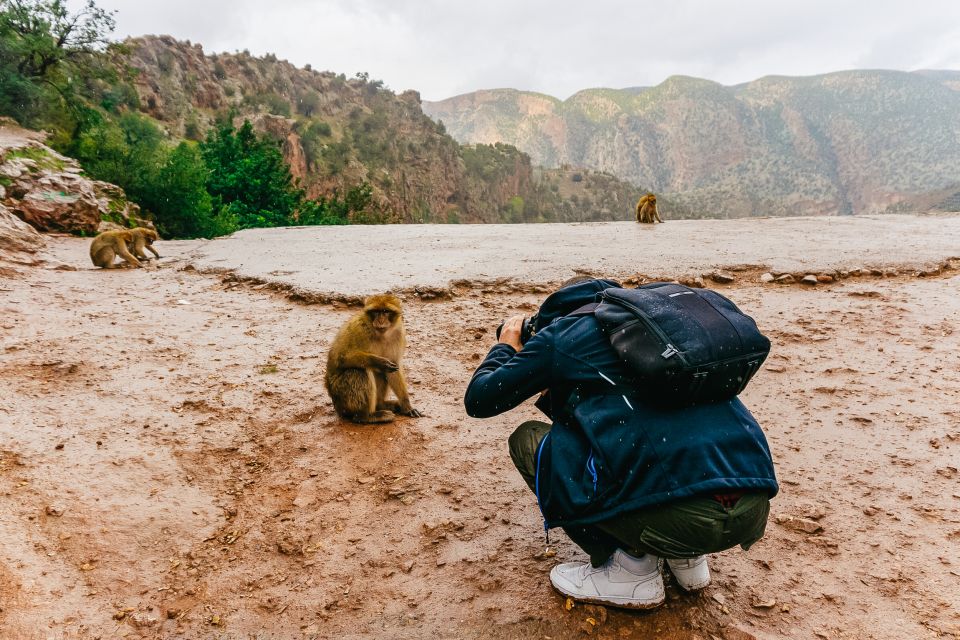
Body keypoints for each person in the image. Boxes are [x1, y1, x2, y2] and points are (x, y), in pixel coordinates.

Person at [463, 278, 778, 609]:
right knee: (676, 431)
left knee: (529, 440)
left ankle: (631, 570)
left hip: (682, 521)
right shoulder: (661, 333)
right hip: (751, 508)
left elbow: (480, 399)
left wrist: (508, 344)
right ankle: (687, 561)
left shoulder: (565, 334)